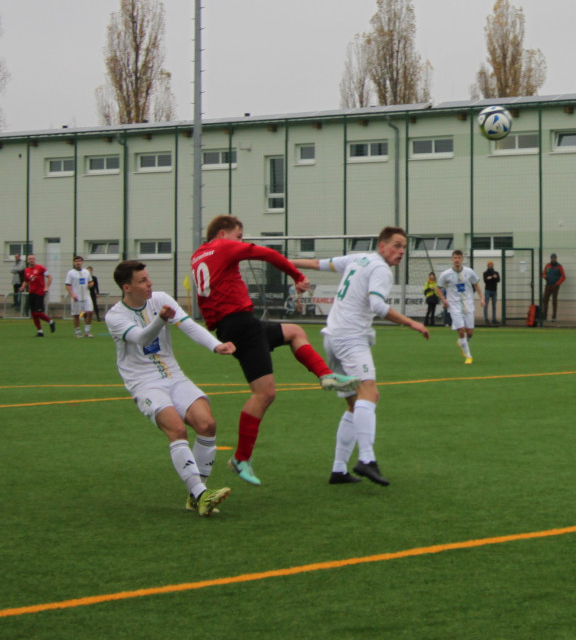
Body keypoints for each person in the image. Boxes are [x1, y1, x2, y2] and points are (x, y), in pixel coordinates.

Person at [190, 214, 360, 486]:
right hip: (241, 324)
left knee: (294, 331)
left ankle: (325, 375)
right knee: (264, 393)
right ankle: (241, 458)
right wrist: (297, 275)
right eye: (239, 236)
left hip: (232, 326)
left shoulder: (198, 255)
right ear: (222, 234)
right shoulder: (223, 246)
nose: (241, 242)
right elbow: (266, 253)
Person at [292, 227, 430, 485]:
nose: (401, 252)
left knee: (355, 404)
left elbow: (316, 264)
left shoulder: (357, 258)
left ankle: (339, 469)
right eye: (396, 246)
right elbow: (377, 306)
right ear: (381, 246)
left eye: (403, 247)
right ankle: (367, 459)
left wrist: (284, 262)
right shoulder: (380, 269)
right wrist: (411, 322)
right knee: (370, 393)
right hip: (350, 338)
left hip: (331, 337)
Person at [107, 260, 235, 516]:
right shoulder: (115, 316)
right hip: (143, 383)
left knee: (207, 425)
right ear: (127, 287)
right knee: (177, 429)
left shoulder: (161, 299)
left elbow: (187, 325)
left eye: (148, 277)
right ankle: (201, 494)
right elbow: (142, 339)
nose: (149, 283)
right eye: (142, 281)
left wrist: (215, 345)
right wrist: (160, 320)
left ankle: (197, 495)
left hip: (173, 375)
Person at [436, 249, 483, 364]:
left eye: (459, 258)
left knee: (470, 332)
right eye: (455, 258)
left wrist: (482, 298)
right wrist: (444, 300)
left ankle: (462, 343)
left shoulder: (469, 272)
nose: (457, 260)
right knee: (461, 330)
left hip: (468, 304)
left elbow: (476, 284)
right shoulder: (446, 274)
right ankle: (468, 356)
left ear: (462, 259)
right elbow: (438, 288)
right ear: (452, 259)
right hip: (454, 306)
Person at [19, 254, 55, 336]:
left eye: (33, 259)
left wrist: (46, 287)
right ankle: (40, 331)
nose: (31, 260)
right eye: (30, 259)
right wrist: (22, 287)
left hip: (39, 293)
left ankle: (51, 322)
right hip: (31, 293)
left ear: (35, 260)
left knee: (38, 312)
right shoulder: (26, 270)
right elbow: (26, 281)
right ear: (27, 261)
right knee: (33, 314)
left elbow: (49, 277)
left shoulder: (41, 268)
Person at [64, 255, 96, 337]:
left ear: (82, 262)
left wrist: (91, 284)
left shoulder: (86, 272)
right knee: (76, 315)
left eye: (79, 261)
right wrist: (72, 294)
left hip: (86, 296)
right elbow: (67, 285)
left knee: (90, 312)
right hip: (76, 297)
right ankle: (78, 332)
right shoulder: (71, 273)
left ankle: (87, 331)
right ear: (74, 263)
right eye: (76, 261)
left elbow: (91, 281)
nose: (78, 263)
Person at [540, 253, 566, 322]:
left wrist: (557, 284)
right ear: (551, 258)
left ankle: (554, 317)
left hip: (555, 286)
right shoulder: (547, 266)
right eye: (552, 258)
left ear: (556, 258)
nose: (553, 259)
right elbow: (543, 273)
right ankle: (544, 316)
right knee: (545, 300)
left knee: (554, 301)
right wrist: (545, 276)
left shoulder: (559, 266)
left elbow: (563, 277)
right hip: (548, 285)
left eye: (554, 258)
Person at [482, 261, 501, 325]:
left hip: (494, 290)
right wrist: (493, 277)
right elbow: (485, 280)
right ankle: (486, 319)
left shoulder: (496, 272)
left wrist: (490, 278)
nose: (490, 265)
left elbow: (498, 280)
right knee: (486, 305)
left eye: (491, 264)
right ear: (487, 265)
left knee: (494, 306)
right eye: (489, 264)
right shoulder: (485, 273)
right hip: (487, 290)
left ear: (493, 265)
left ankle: (494, 319)